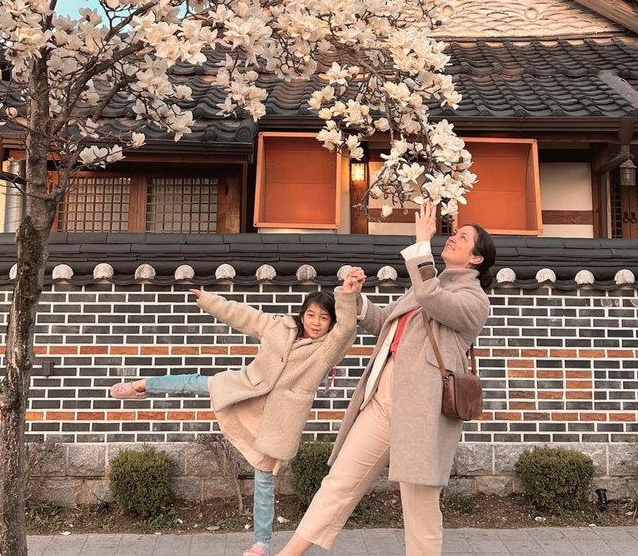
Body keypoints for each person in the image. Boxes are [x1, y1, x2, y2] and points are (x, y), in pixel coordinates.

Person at [276, 201, 495, 556]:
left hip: (423, 410)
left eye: (463, 237)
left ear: (476, 258)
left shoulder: (474, 299)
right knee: (339, 483)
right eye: (453, 233)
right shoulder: (426, 283)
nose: (453, 238)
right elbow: (383, 322)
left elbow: (432, 297)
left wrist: (422, 245)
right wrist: (354, 298)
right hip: (381, 399)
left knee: (420, 506)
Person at [110, 279, 362, 556]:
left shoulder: (327, 349)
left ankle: (262, 544)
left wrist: (348, 294)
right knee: (197, 382)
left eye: (324, 318)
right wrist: (208, 300)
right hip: (246, 391)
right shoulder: (279, 327)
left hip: (277, 422)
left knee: (264, 477)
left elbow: (347, 329)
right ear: (301, 315)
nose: (316, 322)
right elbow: (243, 315)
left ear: (330, 323)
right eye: (311, 314)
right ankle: (141, 386)